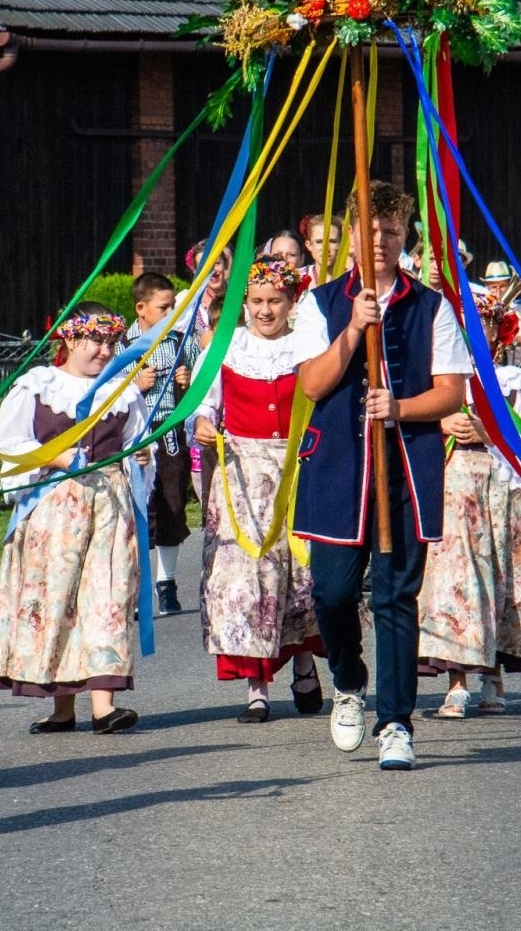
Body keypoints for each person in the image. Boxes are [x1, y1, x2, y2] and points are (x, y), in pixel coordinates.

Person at [292, 181, 472, 771]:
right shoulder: (317, 304)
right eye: (371, 229)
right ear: (350, 234)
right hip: (339, 465)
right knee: (333, 591)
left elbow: (451, 393)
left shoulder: (431, 306)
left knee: (397, 596)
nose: (380, 240)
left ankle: (396, 721)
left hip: (405, 467)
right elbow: (313, 384)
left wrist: (399, 408)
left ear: (405, 237)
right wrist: (352, 330)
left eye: (391, 231)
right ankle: (348, 677)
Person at [0, 302, 151, 735]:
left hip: (109, 507)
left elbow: (133, 441)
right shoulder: (38, 387)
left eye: (110, 342)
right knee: (59, 598)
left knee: (108, 595)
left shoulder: (123, 391)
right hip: (54, 509)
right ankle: (62, 708)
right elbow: (9, 444)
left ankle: (104, 706)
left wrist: (139, 458)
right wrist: (54, 456)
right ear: (69, 339)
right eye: (94, 341)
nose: (103, 350)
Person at [190, 257, 325, 723]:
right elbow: (204, 403)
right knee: (248, 578)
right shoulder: (227, 347)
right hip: (243, 475)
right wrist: (205, 422)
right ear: (244, 304)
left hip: (296, 468)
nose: (266, 311)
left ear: (291, 302)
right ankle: (256, 685)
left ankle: (304, 663)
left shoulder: (307, 346)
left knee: (297, 574)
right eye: (257, 302)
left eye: (275, 301)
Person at [419, 294, 521, 718]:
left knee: (498, 577)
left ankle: (493, 672)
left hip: (499, 491)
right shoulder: (439, 380)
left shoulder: (510, 380)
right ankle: (456, 679)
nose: (473, 334)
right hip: (451, 488)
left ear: (498, 330)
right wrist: (442, 422)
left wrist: (490, 433)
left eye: (483, 325)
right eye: (463, 325)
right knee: (458, 580)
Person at [129, 272, 196, 615]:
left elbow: (201, 383)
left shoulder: (182, 341)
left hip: (170, 429)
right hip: (136, 434)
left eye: (173, 308)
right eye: (163, 308)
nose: (170, 314)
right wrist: (135, 385)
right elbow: (109, 392)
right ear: (141, 309)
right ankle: (138, 586)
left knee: (172, 503)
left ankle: (166, 583)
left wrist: (186, 380)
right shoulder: (123, 345)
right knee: (142, 507)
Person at [480, 261, 521, 365]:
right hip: (489, 365)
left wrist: (512, 340)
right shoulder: (481, 308)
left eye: (502, 286)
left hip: (517, 367)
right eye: (494, 287)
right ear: (487, 287)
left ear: (509, 285)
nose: (498, 291)